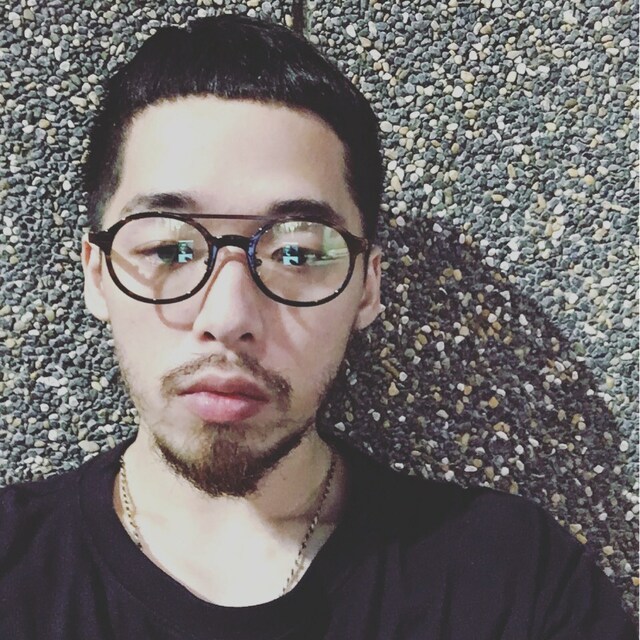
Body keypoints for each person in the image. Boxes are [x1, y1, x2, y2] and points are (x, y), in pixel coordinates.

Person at [0, 14, 634, 640]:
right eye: (169, 249)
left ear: (368, 287)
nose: (228, 318)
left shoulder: (512, 585)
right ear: (98, 275)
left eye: (297, 254)